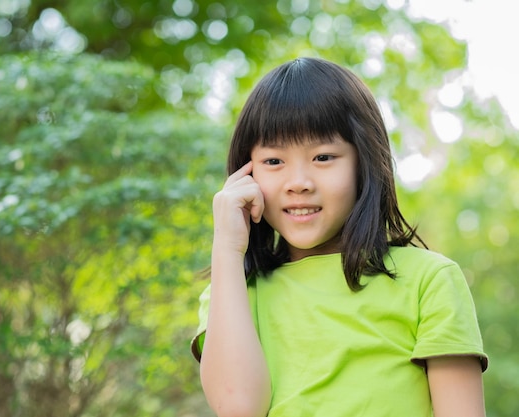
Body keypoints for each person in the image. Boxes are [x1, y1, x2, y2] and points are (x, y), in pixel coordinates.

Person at [190, 57, 487, 417]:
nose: (298, 182)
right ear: (245, 174)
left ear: (364, 161)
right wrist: (227, 247)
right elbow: (239, 408)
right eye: (273, 162)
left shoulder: (429, 280)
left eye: (323, 157)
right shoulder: (233, 291)